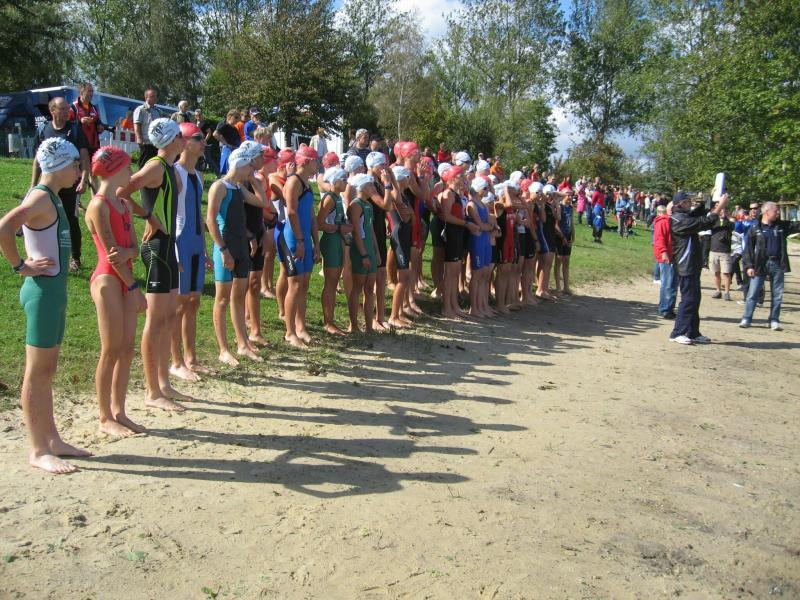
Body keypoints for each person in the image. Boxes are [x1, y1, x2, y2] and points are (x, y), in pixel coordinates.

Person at [0, 138, 91, 474]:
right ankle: (38, 450)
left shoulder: (52, 197)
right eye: (75, 165)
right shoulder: (40, 197)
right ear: (60, 165)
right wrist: (19, 265)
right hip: (41, 292)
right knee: (37, 372)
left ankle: (52, 439)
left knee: (46, 371)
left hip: (53, 292)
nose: (79, 171)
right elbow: (4, 227)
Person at [116, 118, 189, 409]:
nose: (185, 140)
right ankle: (152, 391)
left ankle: (164, 384)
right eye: (180, 136)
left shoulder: (170, 168)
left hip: (168, 246)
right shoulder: (156, 166)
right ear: (170, 140)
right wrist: (147, 216)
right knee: (155, 320)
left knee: (169, 318)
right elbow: (121, 191)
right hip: (156, 247)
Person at [85, 146, 148, 438]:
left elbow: (134, 248)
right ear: (113, 170)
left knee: (126, 348)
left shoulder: (123, 204)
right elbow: (111, 254)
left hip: (125, 276)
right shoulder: (98, 206)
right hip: (108, 280)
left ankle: (119, 411)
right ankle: (104, 416)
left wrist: (128, 255)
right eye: (127, 167)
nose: (131, 173)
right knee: (111, 348)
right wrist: (133, 286)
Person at [207, 145, 268, 365]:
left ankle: (243, 344)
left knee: (238, 297)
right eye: (249, 166)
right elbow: (211, 220)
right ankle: (223, 349)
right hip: (226, 248)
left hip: (241, 247)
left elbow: (262, 203)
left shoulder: (238, 188)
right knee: (222, 299)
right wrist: (223, 250)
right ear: (239, 165)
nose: (252, 169)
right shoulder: (219, 186)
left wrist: (254, 181)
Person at [32, 96, 92, 272]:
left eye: (68, 108)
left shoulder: (75, 129)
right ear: (53, 111)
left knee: (71, 220)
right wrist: (33, 185)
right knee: (46, 220)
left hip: (70, 185)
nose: (67, 112)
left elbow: (84, 157)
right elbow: (37, 160)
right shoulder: (44, 129)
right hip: (49, 186)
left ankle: (75, 258)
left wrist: (84, 179)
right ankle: (45, 256)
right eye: (63, 108)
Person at [170, 122, 209, 381]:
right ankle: (176, 362)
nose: (203, 142)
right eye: (197, 138)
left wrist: (204, 248)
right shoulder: (175, 173)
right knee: (179, 304)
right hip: (180, 243)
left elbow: (199, 215)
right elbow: (168, 213)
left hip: (195, 243)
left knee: (194, 302)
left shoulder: (199, 176)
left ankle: (191, 359)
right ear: (184, 142)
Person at [668, 190, 728, 345]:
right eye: (688, 201)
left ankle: (693, 332)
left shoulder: (684, 216)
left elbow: (699, 212)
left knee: (695, 300)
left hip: (692, 265)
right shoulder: (678, 219)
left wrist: (712, 197)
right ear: (681, 203)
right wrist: (720, 207)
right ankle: (677, 332)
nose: (691, 204)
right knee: (688, 300)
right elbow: (704, 222)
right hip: (685, 265)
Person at [281, 145, 320, 349]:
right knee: (295, 285)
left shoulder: (307, 184)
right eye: (316, 161)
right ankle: (290, 332)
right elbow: (291, 212)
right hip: (293, 239)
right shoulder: (293, 182)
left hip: (304, 238)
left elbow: (311, 215)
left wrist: (316, 243)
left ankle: (301, 327)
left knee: (304, 285)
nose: (318, 164)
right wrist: (300, 241)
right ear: (306, 162)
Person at [739, 201, 800, 330]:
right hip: (760, 264)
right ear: (767, 212)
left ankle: (774, 320)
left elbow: (797, 225)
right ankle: (747, 318)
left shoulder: (782, 226)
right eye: (775, 211)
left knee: (777, 294)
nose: (778, 213)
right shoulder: (755, 228)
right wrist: (749, 266)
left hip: (777, 263)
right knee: (753, 293)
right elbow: (748, 249)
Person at [316, 166, 352, 335]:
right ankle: (328, 322)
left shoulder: (337, 197)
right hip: (330, 241)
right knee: (330, 283)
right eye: (343, 179)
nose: (346, 182)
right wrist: (339, 228)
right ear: (335, 181)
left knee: (334, 281)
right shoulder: (329, 198)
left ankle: (331, 320)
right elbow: (319, 223)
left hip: (337, 240)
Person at [346, 173, 380, 333]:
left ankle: (369, 327)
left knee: (370, 288)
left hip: (369, 250)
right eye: (370, 185)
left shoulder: (368, 205)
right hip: (360, 250)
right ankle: (353, 325)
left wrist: (376, 251)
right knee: (357, 288)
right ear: (363, 187)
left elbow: (370, 230)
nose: (373, 188)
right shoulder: (355, 205)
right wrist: (364, 254)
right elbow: (356, 232)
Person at [69, 82, 104, 190]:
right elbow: (68, 124)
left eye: (92, 91)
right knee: (79, 172)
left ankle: (95, 198)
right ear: (81, 92)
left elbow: (98, 122)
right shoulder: (73, 107)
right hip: (79, 145)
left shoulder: (93, 108)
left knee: (94, 172)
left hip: (93, 144)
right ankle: (76, 196)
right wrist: (80, 121)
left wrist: (100, 127)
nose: (91, 94)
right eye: (89, 91)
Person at [652, 205, 677, 319]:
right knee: (668, 283)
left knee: (671, 283)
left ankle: (667, 308)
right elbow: (659, 238)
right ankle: (665, 309)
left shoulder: (669, 221)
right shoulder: (663, 221)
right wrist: (664, 251)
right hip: (666, 255)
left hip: (671, 254)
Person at [709, 206, 734, 300]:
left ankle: (727, 292)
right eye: (721, 211)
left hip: (725, 251)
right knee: (716, 272)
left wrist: (726, 217)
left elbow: (732, 227)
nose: (722, 212)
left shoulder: (729, 222)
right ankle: (718, 290)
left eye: (725, 210)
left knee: (726, 273)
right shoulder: (714, 222)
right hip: (714, 250)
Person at [133, 88, 162, 167]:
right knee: (144, 165)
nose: (155, 98)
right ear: (146, 97)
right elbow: (137, 124)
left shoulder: (158, 111)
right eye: (152, 96)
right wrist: (139, 138)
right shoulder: (140, 109)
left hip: (156, 143)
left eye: (155, 96)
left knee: (155, 165)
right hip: (146, 142)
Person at [554, 190, 574, 295]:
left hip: (568, 236)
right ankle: (558, 287)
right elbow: (556, 225)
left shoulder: (570, 207)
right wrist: (562, 237)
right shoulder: (559, 207)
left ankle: (566, 287)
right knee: (559, 260)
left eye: (571, 195)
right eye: (568, 195)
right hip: (560, 237)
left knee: (566, 261)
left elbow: (572, 223)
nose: (570, 197)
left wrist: (573, 236)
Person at [213, 109, 242, 176]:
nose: (237, 120)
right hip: (227, 150)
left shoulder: (234, 128)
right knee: (226, 171)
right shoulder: (224, 124)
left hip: (233, 150)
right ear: (230, 116)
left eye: (238, 118)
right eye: (236, 117)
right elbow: (215, 134)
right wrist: (227, 144)